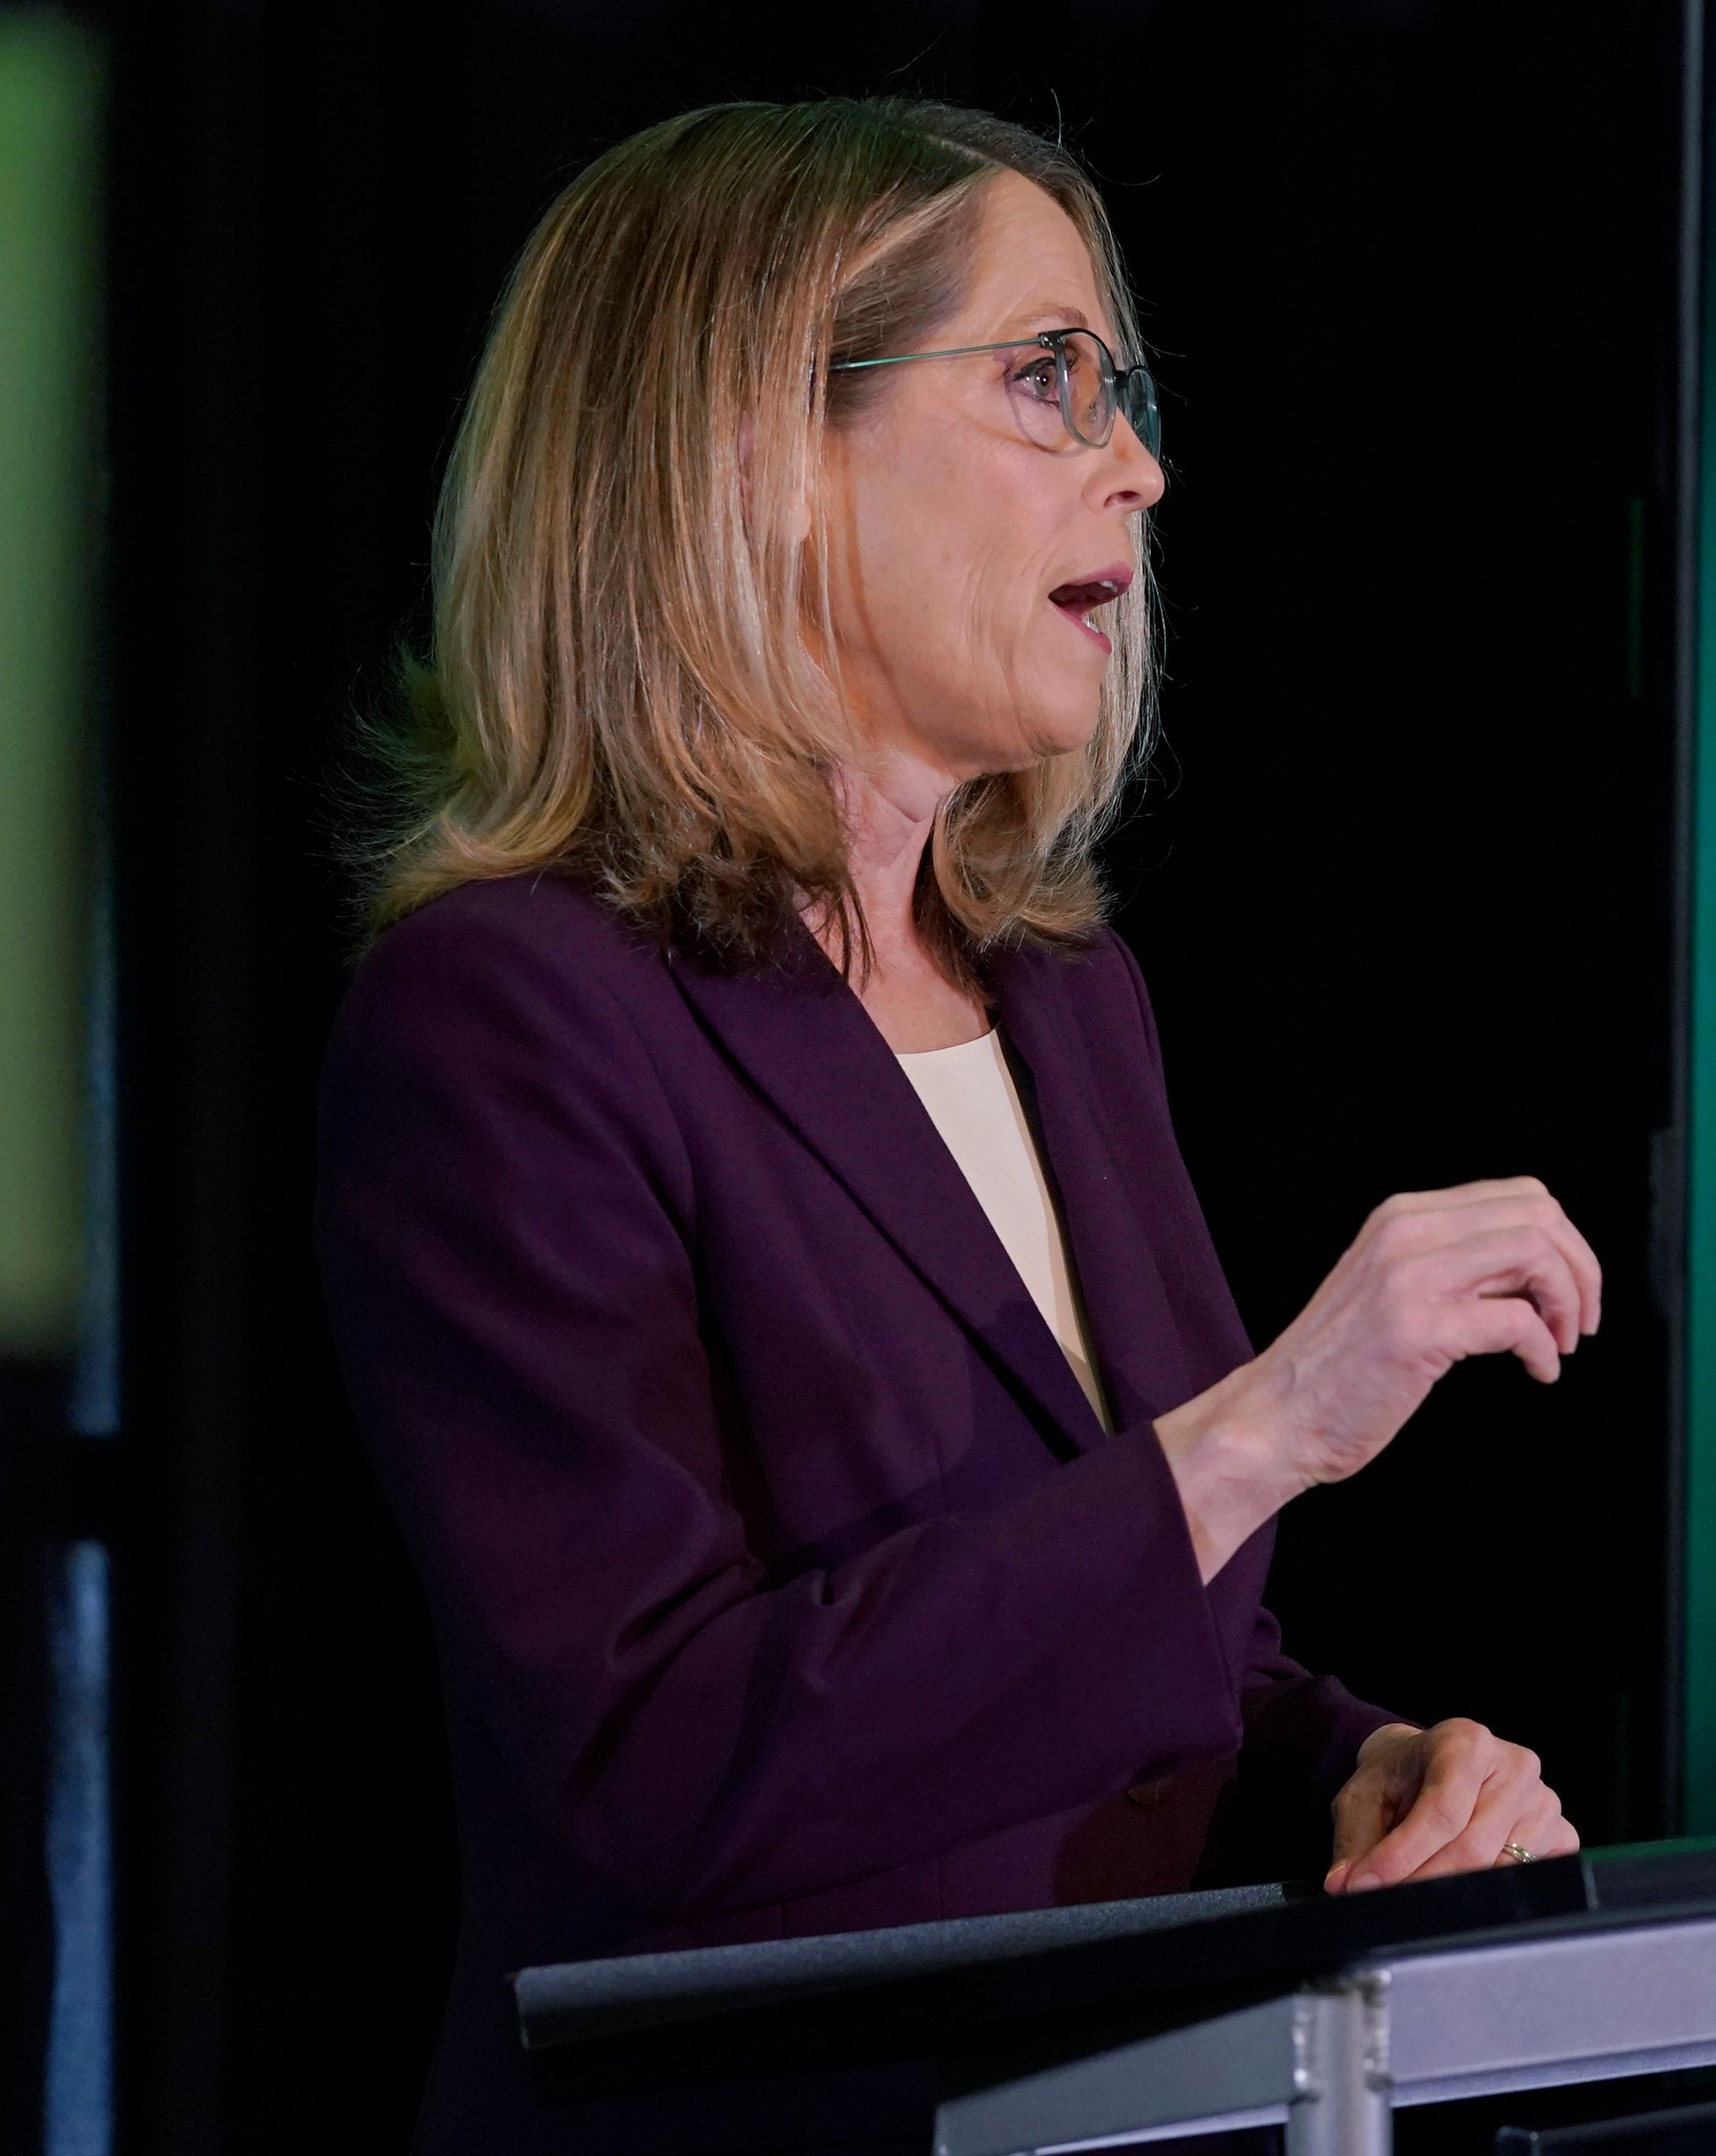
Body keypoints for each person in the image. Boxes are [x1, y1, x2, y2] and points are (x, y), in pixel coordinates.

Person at [314, 97, 1596, 2153]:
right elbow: (652, 1764)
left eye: (1122, 385)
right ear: (758, 450)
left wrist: (1356, 1771)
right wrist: (1260, 1425)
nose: (1141, 464)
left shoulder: (1068, 998)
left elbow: (1154, 1647)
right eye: (1046, 380)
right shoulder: (511, 1014)